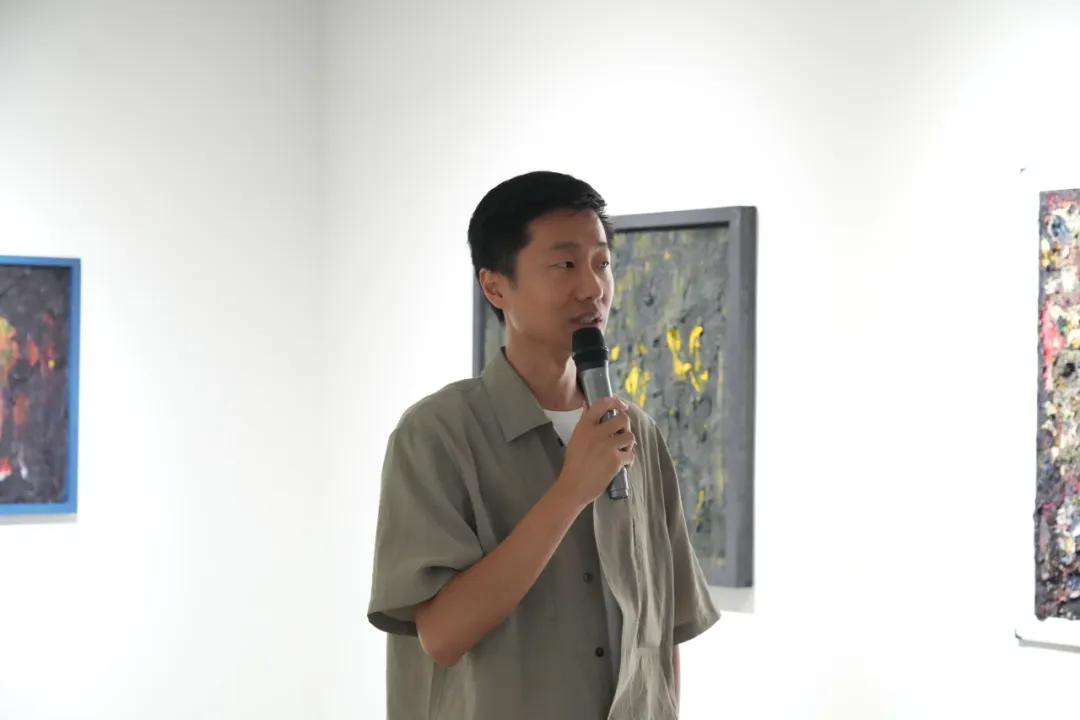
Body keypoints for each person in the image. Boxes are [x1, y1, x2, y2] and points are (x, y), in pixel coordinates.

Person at [366, 170, 720, 719]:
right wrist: (571, 491)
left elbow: (662, 634)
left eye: (602, 263)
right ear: (495, 286)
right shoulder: (436, 435)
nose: (592, 288)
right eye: (564, 265)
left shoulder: (638, 434)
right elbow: (442, 635)